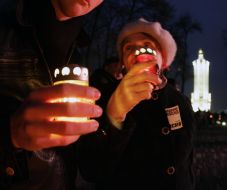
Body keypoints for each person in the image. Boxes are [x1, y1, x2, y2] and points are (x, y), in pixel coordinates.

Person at [0, 0, 105, 189]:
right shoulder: (5, 26)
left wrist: (117, 115)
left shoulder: (78, 54)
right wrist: (10, 134)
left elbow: (91, 169)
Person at [90, 18, 196, 190]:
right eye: (129, 48)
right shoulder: (104, 97)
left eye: (148, 44)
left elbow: (184, 161)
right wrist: (114, 116)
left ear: (164, 60)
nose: (139, 50)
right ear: (123, 63)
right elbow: (92, 170)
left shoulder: (179, 100)